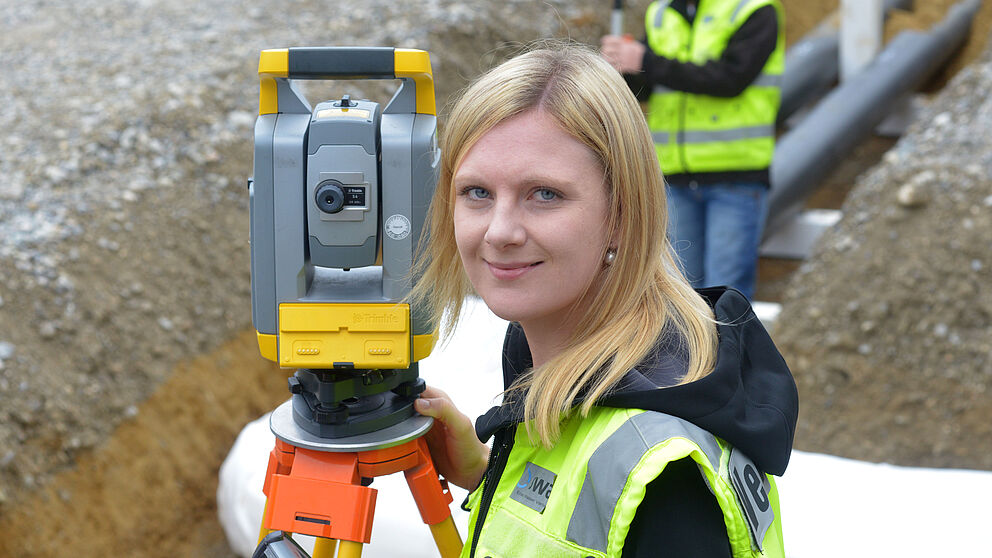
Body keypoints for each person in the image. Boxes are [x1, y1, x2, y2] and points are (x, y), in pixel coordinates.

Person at [409, 42, 798, 558]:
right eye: (477, 192)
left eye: (544, 194)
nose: (499, 231)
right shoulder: (578, 382)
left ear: (621, 214)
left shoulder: (664, 479)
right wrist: (491, 470)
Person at [600, 0, 785, 300]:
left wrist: (646, 60)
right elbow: (653, 84)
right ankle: (690, 350)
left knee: (726, 297)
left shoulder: (753, 9)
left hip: (734, 175)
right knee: (681, 294)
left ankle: (727, 351)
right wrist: (625, 70)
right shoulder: (661, 14)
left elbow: (730, 78)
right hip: (675, 176)